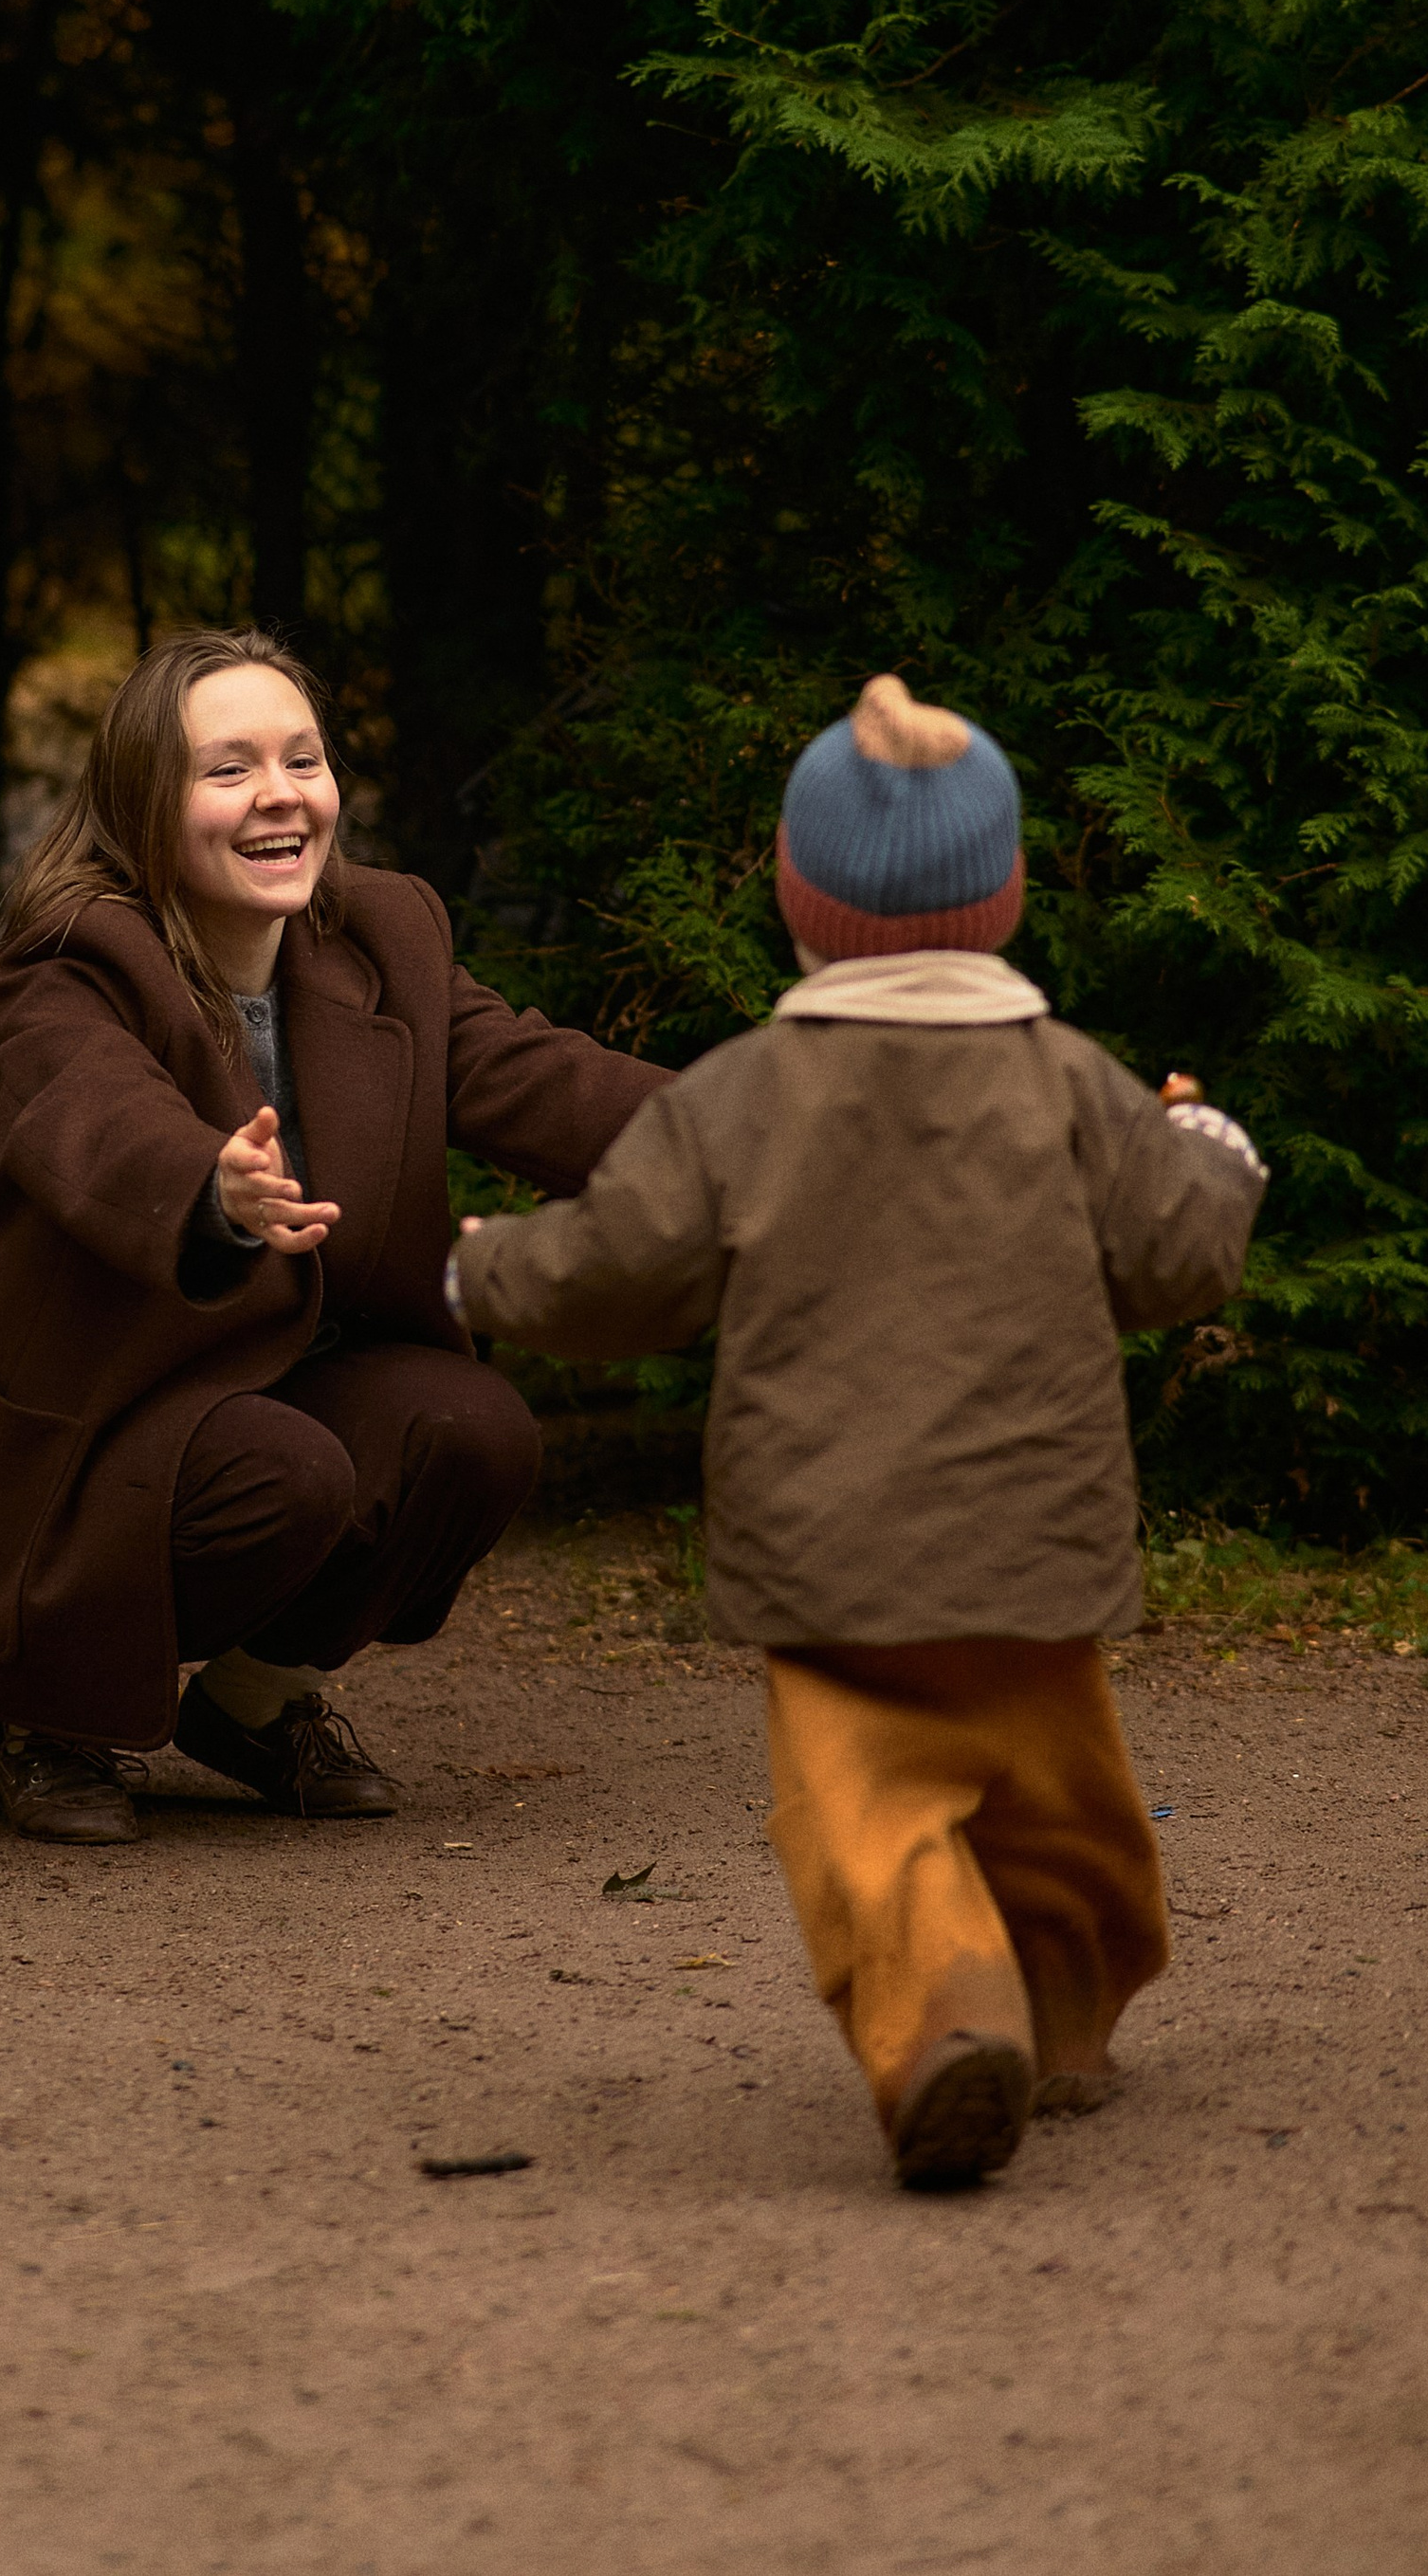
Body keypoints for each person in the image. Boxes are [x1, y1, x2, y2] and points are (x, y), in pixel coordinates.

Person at [449, 672, 1268, 2191]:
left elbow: (619, 1267)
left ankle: (948, 2010)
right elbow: (1178, 1252)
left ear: (796, 893)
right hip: (1036, 1548)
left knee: (873, 1815)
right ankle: (1062, 2008)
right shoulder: (1073, 1084)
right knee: (1062, 1804)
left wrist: (475, 1268)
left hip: (828, 1563)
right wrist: (1209, 1145)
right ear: (1005, 891)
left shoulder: (744, 1098)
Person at [0, 626, 667, 1846]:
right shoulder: (65, 958)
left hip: (266, 1381)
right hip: (87, 1414)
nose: (280, 793)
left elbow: (539, 1078)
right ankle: (48, 1709)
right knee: (287, 1474)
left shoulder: (383, 934)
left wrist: (745, 1135)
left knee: (470, 1427)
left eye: (301, 759)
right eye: (229, 768)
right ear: (142, 803)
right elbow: (89, 1118)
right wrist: (207, 1187)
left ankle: (255, 1703)